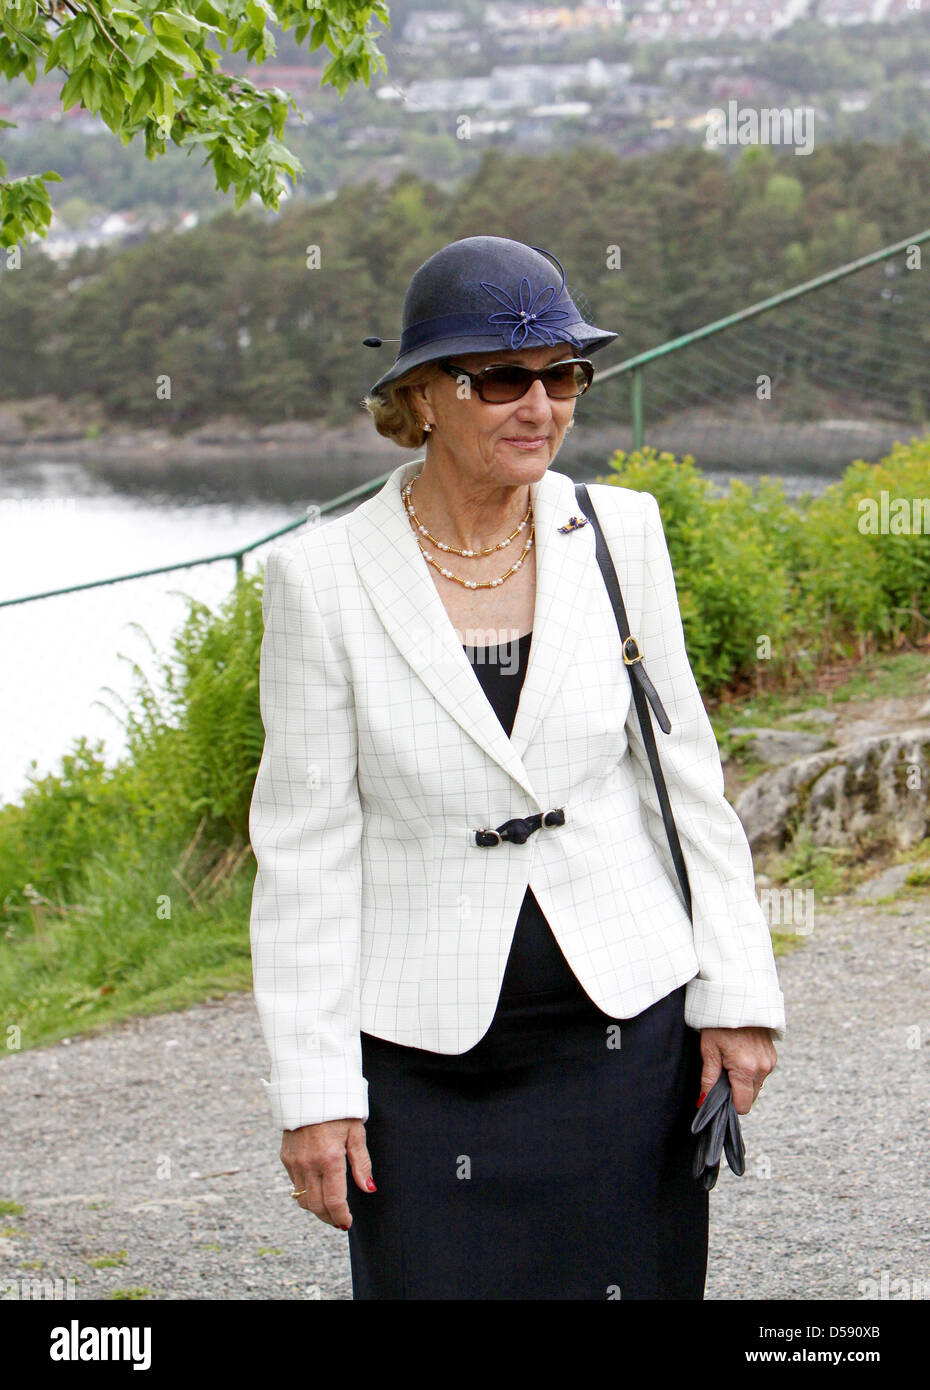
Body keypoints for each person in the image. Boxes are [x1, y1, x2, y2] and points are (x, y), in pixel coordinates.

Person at [248, 235, 785, 1300]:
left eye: (563, 375)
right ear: (422, 397)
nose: (538, 403)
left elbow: (684, 778)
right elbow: (304, 851)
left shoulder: (621, 531)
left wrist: (739, 989)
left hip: (629, 1034)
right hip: (423, 1057)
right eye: (502, 378)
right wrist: (312, 1087)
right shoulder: (319, 577)